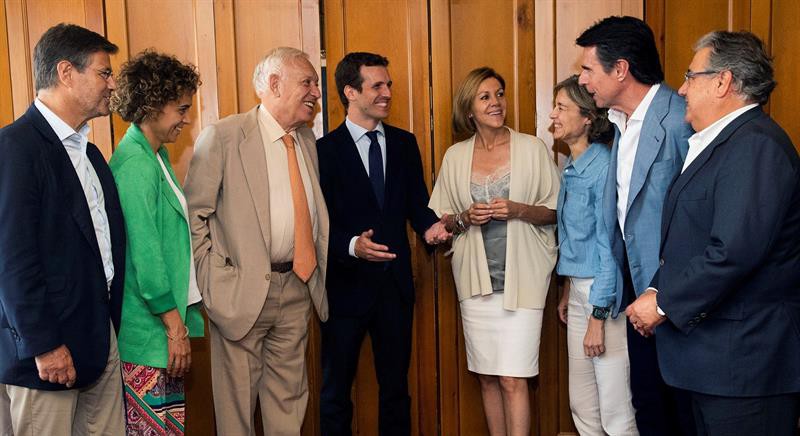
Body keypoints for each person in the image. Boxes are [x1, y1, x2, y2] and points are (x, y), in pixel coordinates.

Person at [626, 30, 800, 436]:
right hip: (713, 364)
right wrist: (654, 289)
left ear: (722, 82)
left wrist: (664, 303)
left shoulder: (755, 145)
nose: (682, 89)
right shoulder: (724, 142)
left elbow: (733, 251)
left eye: (691, 76)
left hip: (745, 367)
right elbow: (692, 241)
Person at [184, 46, 328, 435]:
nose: (316, 92)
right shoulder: (224, 137)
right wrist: (213, 282)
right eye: (308, 82)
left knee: (289, 406)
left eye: (315, 83)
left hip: (297, 289)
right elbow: (194, 216)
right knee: (236, 414)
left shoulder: (306, 141)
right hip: (240, 296)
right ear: (274, 84)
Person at [0, 23, 126, 434]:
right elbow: (12, 259)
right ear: (67, 73)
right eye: (104, 73)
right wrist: (44, 344)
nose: (112, 84)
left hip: (99, 335)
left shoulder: (90, 153)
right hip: (46, 353)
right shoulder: (16, 147)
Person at [316, 52, 449, 436]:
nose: (388, 92)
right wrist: (352, 245)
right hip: (343, 290)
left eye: (388, 84)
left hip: (394, 289)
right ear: (350, 92)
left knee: (396, 391)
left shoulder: (405, 144)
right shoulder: (324, 151)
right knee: (335, 392)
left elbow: (417, 206)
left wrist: (431, 229)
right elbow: (316, 225)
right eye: (378, 85)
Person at [575, 16, 694, 436]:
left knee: (680, 407)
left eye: (588, 68)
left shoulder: (681, 119)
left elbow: (699, 218)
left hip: (675, 294)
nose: (582, 79)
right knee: (647, 401)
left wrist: (664, 290)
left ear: (620, 69)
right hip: (635, 288)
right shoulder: (620, 125)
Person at [429, 67, 560, 436]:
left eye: (499, 94)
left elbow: (555, 212)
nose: (496, 103)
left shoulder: (533, 148)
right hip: (475, 285)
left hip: (523, 283)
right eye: (485, 96)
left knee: (512, 380)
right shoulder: (455, 157)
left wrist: (519, 209)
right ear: (469, 109)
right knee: (487, 377)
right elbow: (445, 222)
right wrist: (465, 217)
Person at [108, 50, 205, 435]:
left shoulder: (156, 155)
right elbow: (146, 258)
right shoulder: (134, 163)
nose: (186, 118)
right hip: (147, 332)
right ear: (152, 104)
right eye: (181, 108)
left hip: (159, 329)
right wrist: (174, 328)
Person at [552, 75, 637, 436]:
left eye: (561, 108)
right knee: (583, 405)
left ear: (588, 117)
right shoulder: (571, 167)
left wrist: (598, 315)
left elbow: (609, 248)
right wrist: (569, 290)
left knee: (615, 411)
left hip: (604, 297)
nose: (552, 115)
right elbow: (576, 238)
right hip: (579, 292)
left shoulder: (602, 166)